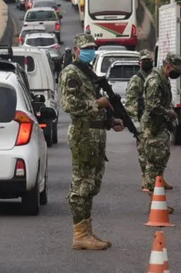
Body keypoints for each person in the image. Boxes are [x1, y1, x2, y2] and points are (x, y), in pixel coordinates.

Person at [59, 33, 125, 251]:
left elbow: (94, 109)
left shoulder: (88, 73)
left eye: (93, 47)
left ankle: (86, 231)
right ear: (77, 50)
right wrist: (99, 104)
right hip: (83, 136)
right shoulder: (71, 72)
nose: (91, 51)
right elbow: (70, 105)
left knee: (92, 185)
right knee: (81, 185)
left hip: (95, 136)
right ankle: (80, 234)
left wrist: (110, 120)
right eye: (86, 48)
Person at [139, 53, 181, 213]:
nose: (176, 74)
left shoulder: (163, 79)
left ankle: (157, 201)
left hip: (159, 126)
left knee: (161, 158)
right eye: (175, 70)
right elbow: (152, 106)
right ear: (168, 66)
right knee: (153, 162)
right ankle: (154, 203)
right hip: (153, 126)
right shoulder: (155, 81)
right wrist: (168, 113)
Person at [124, 49, 154, 192]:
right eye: (144, 61)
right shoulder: (136, 80)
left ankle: (156, 177)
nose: (147, 63)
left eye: (149, 61)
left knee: (158, 151)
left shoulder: (155, 77)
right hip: (142, 120)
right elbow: (131, 101)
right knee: (143, 152)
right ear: (139, 63)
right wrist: (134, 121)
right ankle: (144, 178)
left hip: (155, 120)